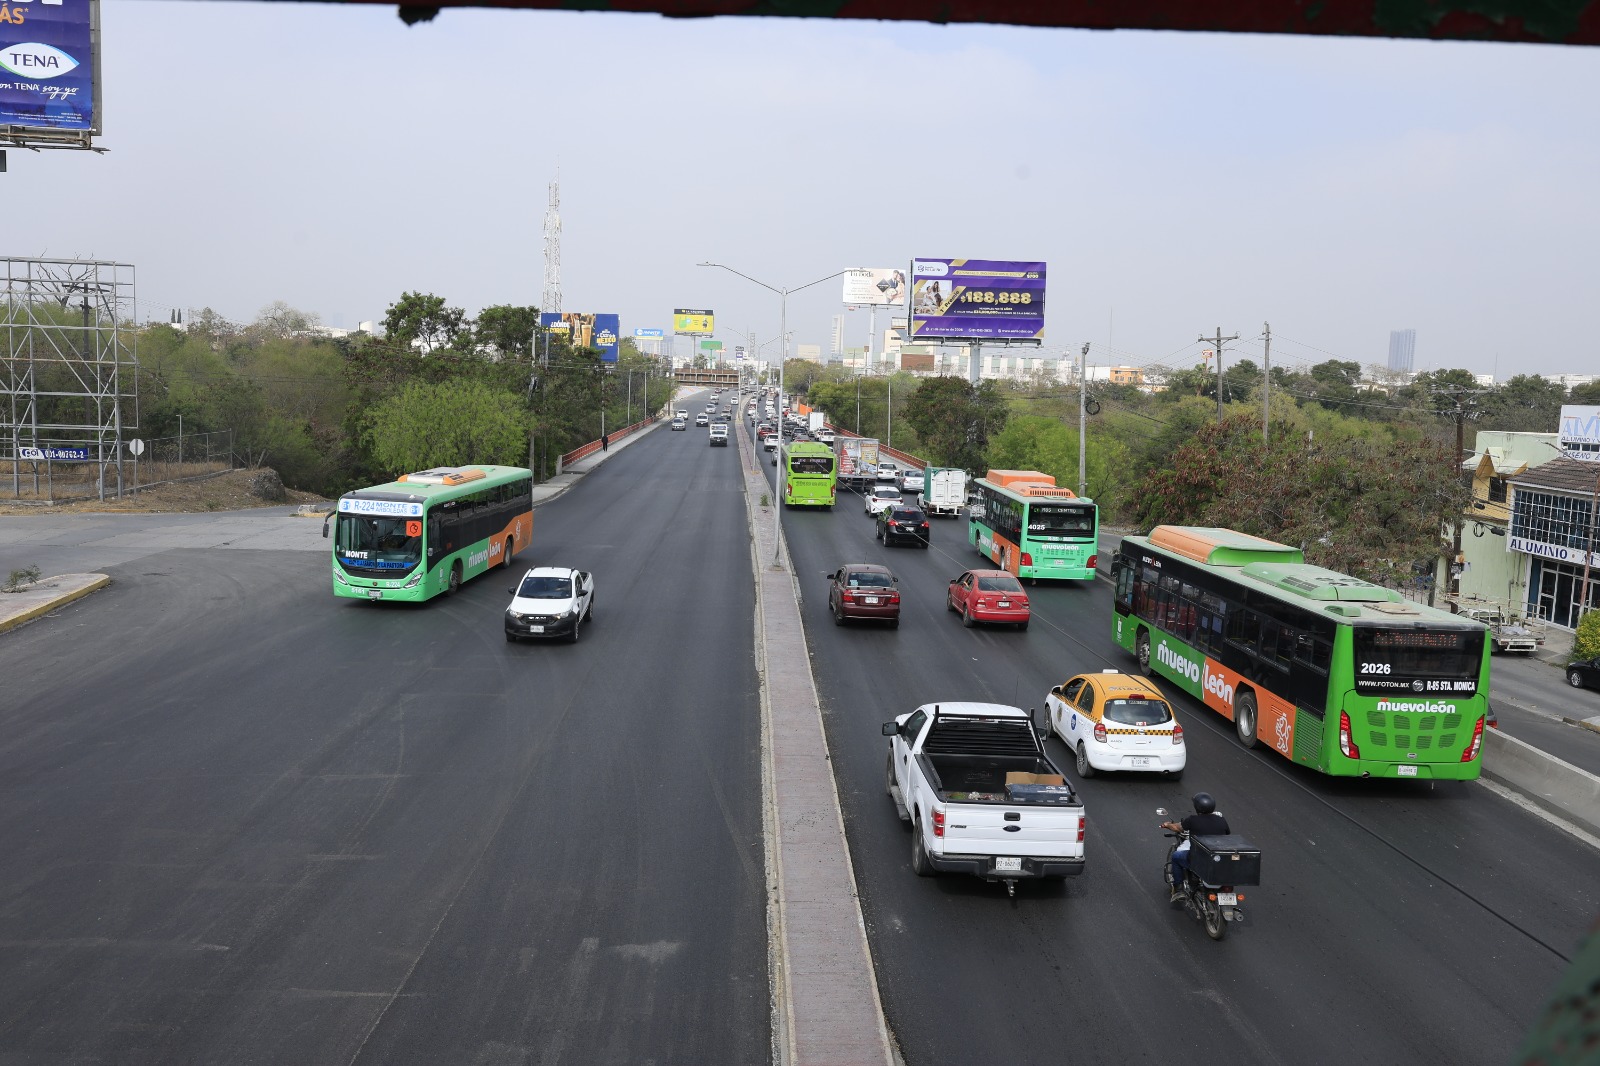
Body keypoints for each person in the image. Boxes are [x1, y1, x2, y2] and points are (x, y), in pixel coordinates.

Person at [1161, 792, 1230, 902]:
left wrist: (1167, 825)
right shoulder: (1221, 820)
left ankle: (1178, 889)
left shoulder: (1192, 820)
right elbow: (1227, 834)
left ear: (1197, 807)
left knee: (1176, 856)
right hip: (1218, 860)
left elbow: (1177, 828)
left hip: (1199, 860)